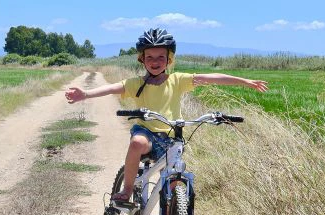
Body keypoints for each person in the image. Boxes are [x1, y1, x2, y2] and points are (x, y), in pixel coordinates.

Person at [65, 28, 268, 204]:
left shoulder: (177, 80)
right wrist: (85, 94)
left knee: (173, 184)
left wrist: (245, 82)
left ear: (169, 59)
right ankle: (127, 189)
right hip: (147, 133)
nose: (155, 62)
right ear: (142, 59)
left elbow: (210, 78)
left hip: (171, 137)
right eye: (150, 57)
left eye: (160, 57)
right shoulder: (136, 83)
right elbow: (111, 88)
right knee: (136, 142)